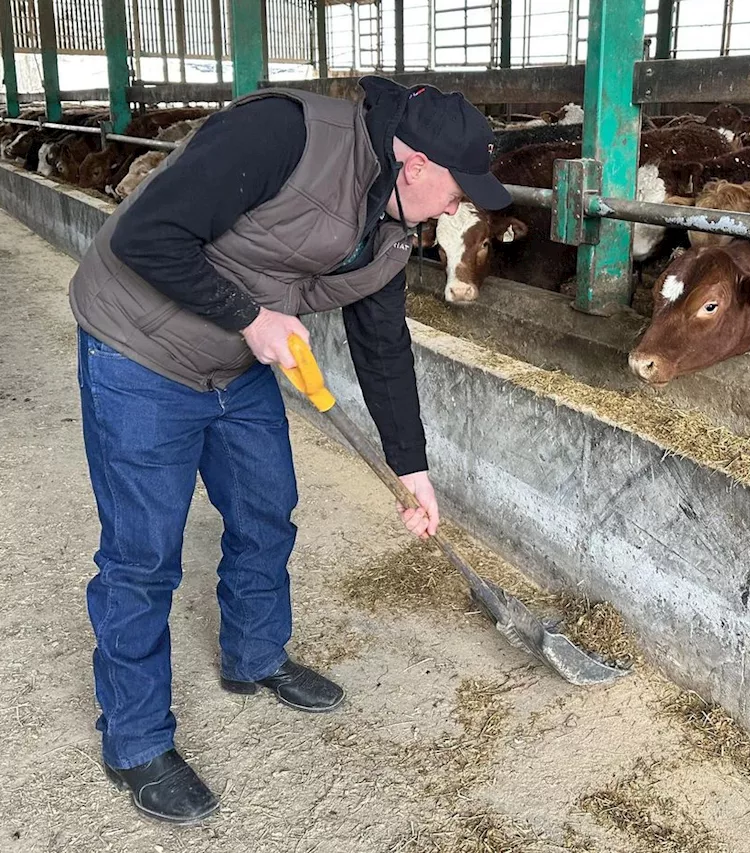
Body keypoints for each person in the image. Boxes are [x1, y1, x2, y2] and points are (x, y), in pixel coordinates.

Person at [67, 75, 511, 825]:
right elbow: (149, 236)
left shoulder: (394, 230)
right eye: (456, 191)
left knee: (267, 509)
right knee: (143, 555)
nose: (456, 208)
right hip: (138, 351)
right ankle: (136, 738)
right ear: (416, 164)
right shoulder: (285, 135)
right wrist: (251, 318)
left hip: (234, 366)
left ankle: (255, 655)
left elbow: (383, 347)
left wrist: (413, 470)